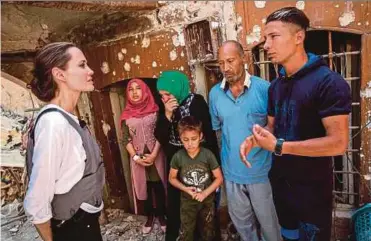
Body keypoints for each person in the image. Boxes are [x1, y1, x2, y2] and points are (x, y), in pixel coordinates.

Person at [240, 7, 351, 241]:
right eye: (265, 38)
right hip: (282, 187)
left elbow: (338, 143)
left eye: (273, 36)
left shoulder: (328, 83)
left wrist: (280, 146)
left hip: (313, 193)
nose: (266, 45)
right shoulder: (276, 87)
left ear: (298, 37)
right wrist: (255, 139)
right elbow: (272, 128)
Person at [24, 42, 105, 241]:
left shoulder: (66, 118)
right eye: (82, 65)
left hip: (84, 223)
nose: (90, 70)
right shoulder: (54, 124)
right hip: (72, 230)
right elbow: (37, 199)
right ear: (60, 74)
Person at [209, 40, 281, 241]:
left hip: (260, 171)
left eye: (230, 61)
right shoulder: (215, 94)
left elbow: (274, 128)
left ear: (244, 58)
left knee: (269, 225)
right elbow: (218, 132)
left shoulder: (265, 89)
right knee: (242, 224)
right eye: (221, 63)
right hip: (231, 172)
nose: (226, 68)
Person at [154, 70, 219, 241]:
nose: (165, 98)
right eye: (162, 95)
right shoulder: (166, 106)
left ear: (177, 89)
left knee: (203, 206)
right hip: (177, 160)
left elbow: (209, 136)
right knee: (179, 205)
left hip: (199, 161)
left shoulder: (196, 103)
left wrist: (214, 169)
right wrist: (167, 114)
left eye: (168, 94)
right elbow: (160, 136)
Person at [120, 78, 167, 234]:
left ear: (144, 90)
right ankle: (149, 216)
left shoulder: (155, 109)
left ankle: (161, 216)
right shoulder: (126, 114)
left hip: (157, 156)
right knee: (144, 188)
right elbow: (125, 138)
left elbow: (162, 133)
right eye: (131, 89)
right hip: (138, 158)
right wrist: (135, 157)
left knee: (158, 186)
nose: (134, 92)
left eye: (138, 88)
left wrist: (154, 155)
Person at [168, 116, 223, 241]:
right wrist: (186, 189)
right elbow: (172, 178)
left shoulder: (207, 155)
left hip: (207, 202)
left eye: (194, 139)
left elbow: (219, 178)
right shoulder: (178, 157)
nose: (190, 143)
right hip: (187, 203)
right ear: (180, 138)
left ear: (201, 136)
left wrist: (204, 193)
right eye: (185, 140)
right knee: (186, 232)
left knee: (208, 231)